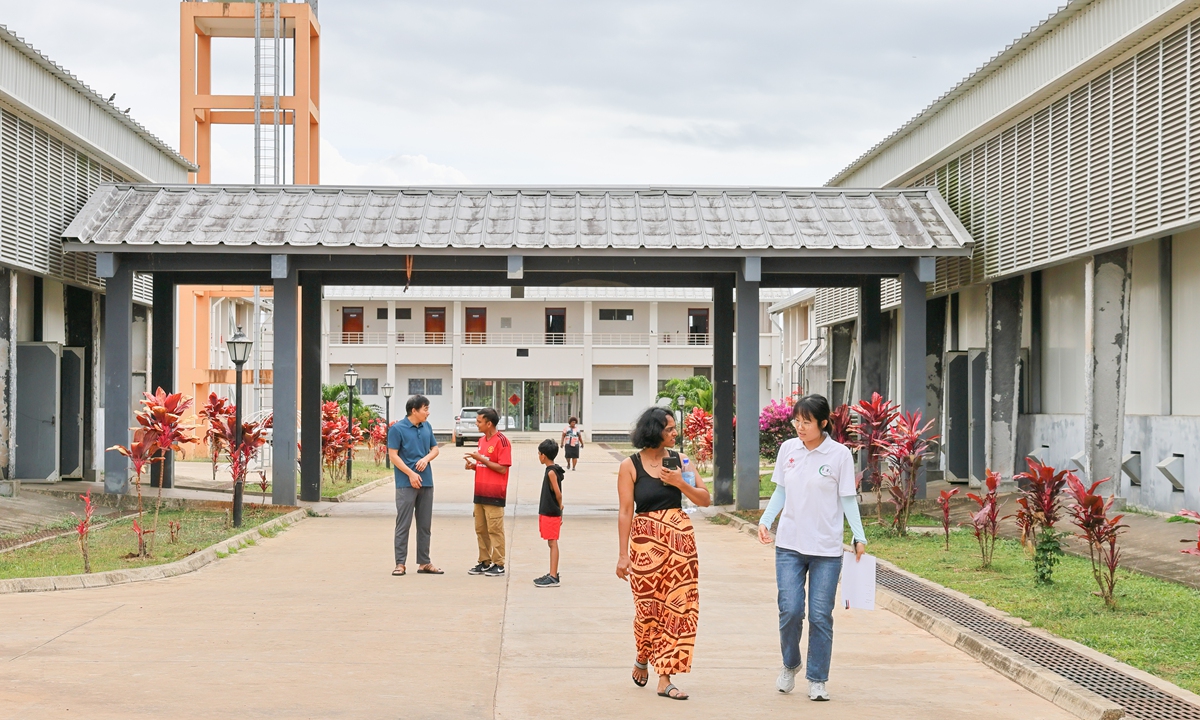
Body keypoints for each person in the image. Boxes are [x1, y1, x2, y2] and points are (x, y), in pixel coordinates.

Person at [757, 394, 867, 702]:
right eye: (796, 421)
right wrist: (766, 521)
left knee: (821, 615)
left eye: (806, 422)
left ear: (822, 423)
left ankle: (817, 678)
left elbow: (847, 499)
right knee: (790, 611)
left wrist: (859, 537)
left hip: (826, 550)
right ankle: (790, 664)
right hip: (789, 545)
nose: (800, 427)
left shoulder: (840, 454)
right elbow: (780, 490)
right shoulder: (788, 450)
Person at [616, 406, 711, 701]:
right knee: (648, 609)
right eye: (670, 428)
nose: (675, 433)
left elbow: (706, 499)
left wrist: (680, 483)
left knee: (678, 609)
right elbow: (625, 511)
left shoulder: (681, 460)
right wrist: (622, 555)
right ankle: (643, 653)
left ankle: (665, 678)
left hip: (680, 546)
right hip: (645, 546)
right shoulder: (630, 466)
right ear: (654, 431)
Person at [387, 394, 443, 577]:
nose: (428, 412)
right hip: (405, 483)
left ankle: (424, 562)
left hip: (426, 481)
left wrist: (426, 459)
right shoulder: (397, 429)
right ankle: (400, 563)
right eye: (425, 409)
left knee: (425, 524)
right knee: (403, 524)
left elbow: (434, 448)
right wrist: (411, 473)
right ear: (414, 410)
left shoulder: (427, 427)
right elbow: (393, 455)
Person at [465, 407, 512, 577]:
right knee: (481, 529)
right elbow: (485, 464)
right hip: (480, 492)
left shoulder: (502, 441)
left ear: (489, 423)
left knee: (495, 529)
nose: (476, 424)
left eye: (479, 421)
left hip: (494, 494)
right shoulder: (482, 441)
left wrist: (481, 459)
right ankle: (484, 561)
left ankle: (498, 563)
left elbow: (502, 469)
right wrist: (474, 465)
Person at [534, 438, 565, 588]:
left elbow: (558, 494)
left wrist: (560, 508)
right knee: (550, 542)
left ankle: (553, 576)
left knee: (553, 543)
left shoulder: (551, 472)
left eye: (539, 453)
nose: (538, 456)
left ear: (544, 455)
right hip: (550, 511)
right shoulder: (552, 470)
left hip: (552, 512)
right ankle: (552, 573)